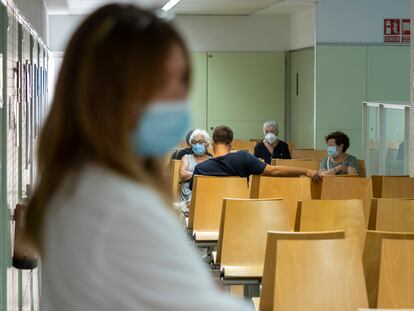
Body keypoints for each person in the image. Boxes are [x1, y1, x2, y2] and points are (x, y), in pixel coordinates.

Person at [24, 5, 251, 311]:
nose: (179, 98)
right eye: (162, 84)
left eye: (182, 81)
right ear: (111, 94)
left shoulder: (76, 182)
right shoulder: (117, 207)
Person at [191, 126, 320, 188]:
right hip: (239, 216)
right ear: (231, 143)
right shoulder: (243, 158)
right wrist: (306, 171)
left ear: (212, 143)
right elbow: (275, 170)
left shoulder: (200, 169)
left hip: (208, 220)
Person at [179, 129, 211, 204]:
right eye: (194, 142)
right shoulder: (186, 157)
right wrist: (201, 174)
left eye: (200, 142)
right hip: (187, 194)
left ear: (206, 143)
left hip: (206, 192)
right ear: (191, 145)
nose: (197, 145)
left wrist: (191, 174)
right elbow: (182, 174)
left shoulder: (211, 159)